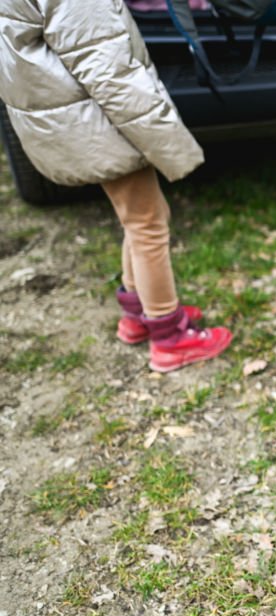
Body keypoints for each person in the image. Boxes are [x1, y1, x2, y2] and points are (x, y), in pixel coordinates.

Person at [0, 0, 232, 373]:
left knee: (137, 218)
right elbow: (111, 74)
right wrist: (166, 139)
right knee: (149, 224)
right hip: (97, 119)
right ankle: (169, 337)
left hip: (70, 116)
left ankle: (138, 313)